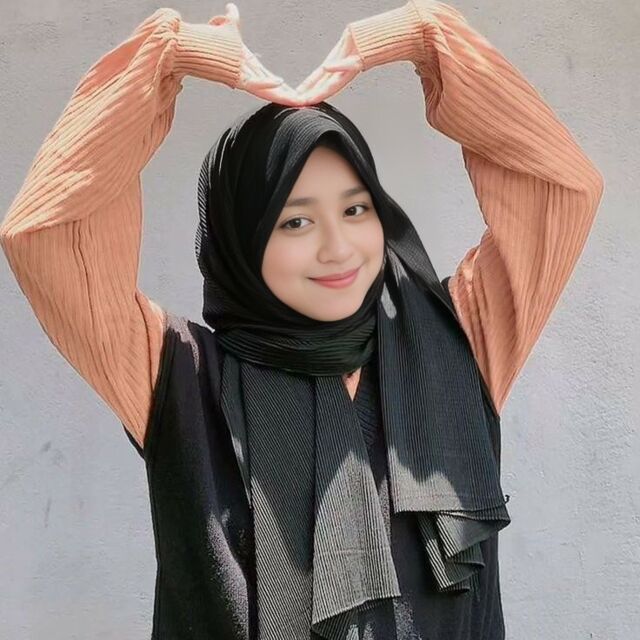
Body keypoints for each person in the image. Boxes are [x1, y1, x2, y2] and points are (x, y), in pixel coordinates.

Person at [0, 2, 604, 639]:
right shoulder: (176, 376)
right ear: (244, 237)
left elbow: (561, 191)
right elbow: (47, 235)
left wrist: (424, 36)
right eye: (295, 221)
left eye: (355, 209)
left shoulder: (463, 339)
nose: (338, 249)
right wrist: (167, 58)